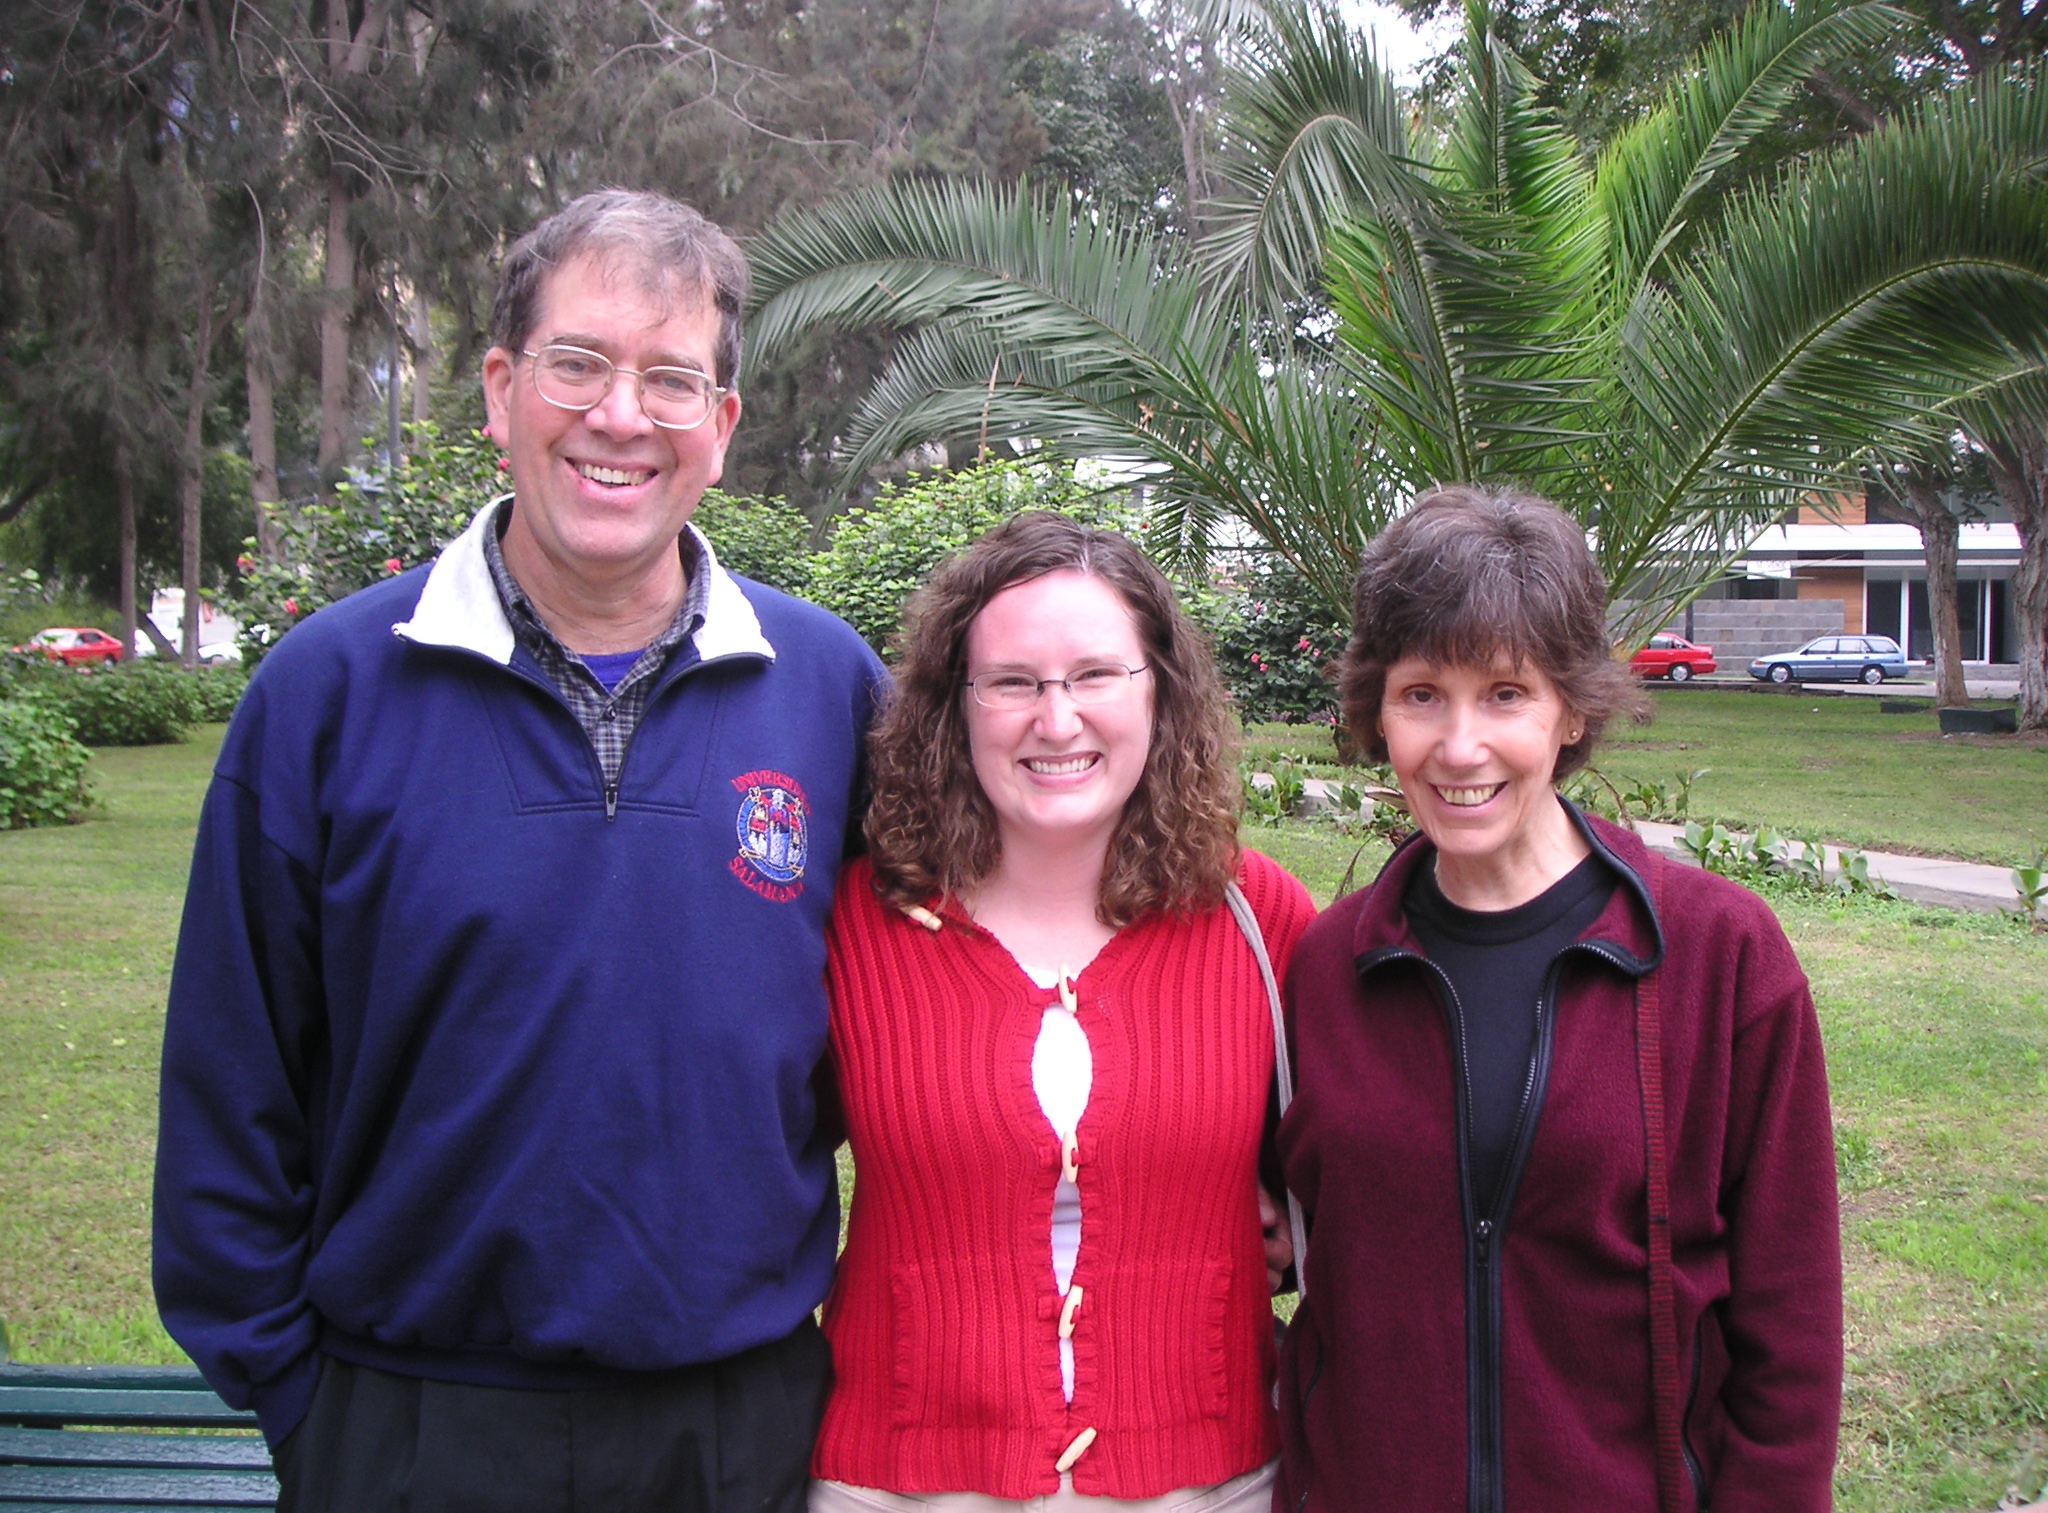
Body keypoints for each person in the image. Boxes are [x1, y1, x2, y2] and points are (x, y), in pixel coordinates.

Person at [153, 190, 886, 1512]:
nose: (620, 417)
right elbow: (231, 1071)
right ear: (500, 391)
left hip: (735, 1435)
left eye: (671, 380)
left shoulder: (829, 690)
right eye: (578, 365)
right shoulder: (326, 690)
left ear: (719, 428)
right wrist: (303, 1405)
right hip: (407, 1433)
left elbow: (941, 1020)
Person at [1273, 486, 1842, 1513]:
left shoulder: (1717, 956)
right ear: (1375, 706)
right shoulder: (1326, 968)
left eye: (1504, 694)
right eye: (1418, 695)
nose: (1456, 748)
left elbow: (1789, 1316)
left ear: (1571, 705)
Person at [809, 512, 1316, 1511]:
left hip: (1208, 1483)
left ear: (1157, 693)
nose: (1055, 719)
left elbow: (1370, 1171)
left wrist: (1298, 1232)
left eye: (1093, 675)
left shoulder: (1259, 922)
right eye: (1012, 683)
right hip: (901, 1482)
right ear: (953, 706)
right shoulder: (853, 932)